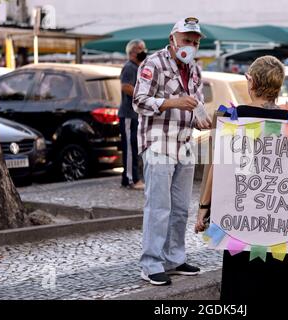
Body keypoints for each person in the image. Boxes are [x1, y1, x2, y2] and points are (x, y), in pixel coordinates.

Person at [195, 55, 288, 301]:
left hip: (242, 228)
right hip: (283, 228)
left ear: (250, 81)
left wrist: (203, 208)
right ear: (279, 87)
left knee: (243, 291)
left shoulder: (235, 119)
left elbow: (219, 166)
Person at [133, 17, 211, 286]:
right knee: (158, 206)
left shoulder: (195, 70)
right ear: (173, 39)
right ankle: (151, 263)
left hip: (185, 144)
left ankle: (174, 258)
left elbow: (197, 105)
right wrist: (171, 102)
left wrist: (204, 119)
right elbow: (138, 102)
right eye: (187, 39)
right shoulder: (153, 63)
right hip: (157, 143)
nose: (190, 45)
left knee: (179, 208)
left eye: (195, 42)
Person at [119, 39, 147, 190]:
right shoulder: (130, 68)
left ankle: (129, 177)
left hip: (135, 115)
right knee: (130, 148)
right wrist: (142, 95)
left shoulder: (138, 67)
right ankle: (131, 179)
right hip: (129, 115)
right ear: (131, 52)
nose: (143, 51)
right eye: (139, 49)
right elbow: (126, 87)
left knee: (134, 147)